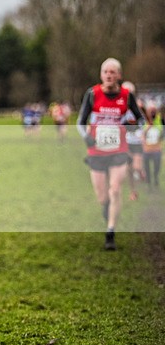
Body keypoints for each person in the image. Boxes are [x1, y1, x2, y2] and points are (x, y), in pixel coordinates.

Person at [76, 58, 144, 251]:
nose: (109, 75)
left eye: (112, 72)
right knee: (102, 197)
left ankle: (110, 232)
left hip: (118, 150)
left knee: (115, 190)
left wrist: (131, 128)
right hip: (96, 151)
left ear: (119, 75)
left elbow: (140, 120)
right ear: (101, 74)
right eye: (105, 71)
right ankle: (107, 209)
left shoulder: (127, 96)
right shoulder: (92, 94)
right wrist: (86, 137)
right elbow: (80, 122)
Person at [121, 82, 145, 201]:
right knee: (129, 168)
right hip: (126, 141)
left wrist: (143, 135)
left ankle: (141, 171)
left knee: (136, 167)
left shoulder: (139, 106)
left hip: (137, 141)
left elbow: (144, 122)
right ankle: (133, 191)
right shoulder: (120, 106)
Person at [142, 102, 163, 190]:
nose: (152, 112)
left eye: (154, 110)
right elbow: (142, 134)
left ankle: (155, 177)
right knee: (147, 167)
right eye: (151, 110)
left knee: (157, 166)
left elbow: (161, 133)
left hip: (157, 149)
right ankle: (149, 182)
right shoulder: (144, 120)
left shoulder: (159, 119)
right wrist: (148, 127)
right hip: (147, 149)